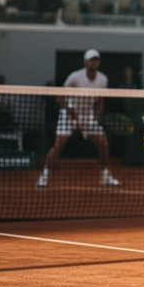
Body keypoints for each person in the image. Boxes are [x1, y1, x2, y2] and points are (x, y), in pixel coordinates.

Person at [36, 50, 121, 190]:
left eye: (96, 59)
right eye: (91, 59)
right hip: (69, 113)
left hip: (88, 116)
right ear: (85, 62)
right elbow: (60, 96)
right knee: (59, 145)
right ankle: (44, 175)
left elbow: (101, 100)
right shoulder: (75, 77)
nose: (94, 62)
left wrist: (98, 115)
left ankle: (105, 175)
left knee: (104, 144)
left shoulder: (103, 79)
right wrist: (70, 111)